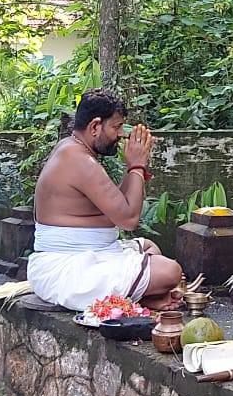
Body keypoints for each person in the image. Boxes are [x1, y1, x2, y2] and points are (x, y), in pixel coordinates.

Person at [27, 88, 184, 311]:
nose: (120, 134)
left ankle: (140, 297)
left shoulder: (73, 149)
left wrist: (134, 167)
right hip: (67, 269)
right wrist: (138, 165)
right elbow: (128, 220)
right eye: (116, 127)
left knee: (149, 247)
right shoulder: (79, 160)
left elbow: (118, 204)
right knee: (170, 271)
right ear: (95, 126)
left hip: (91, 253)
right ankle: (139, 297)